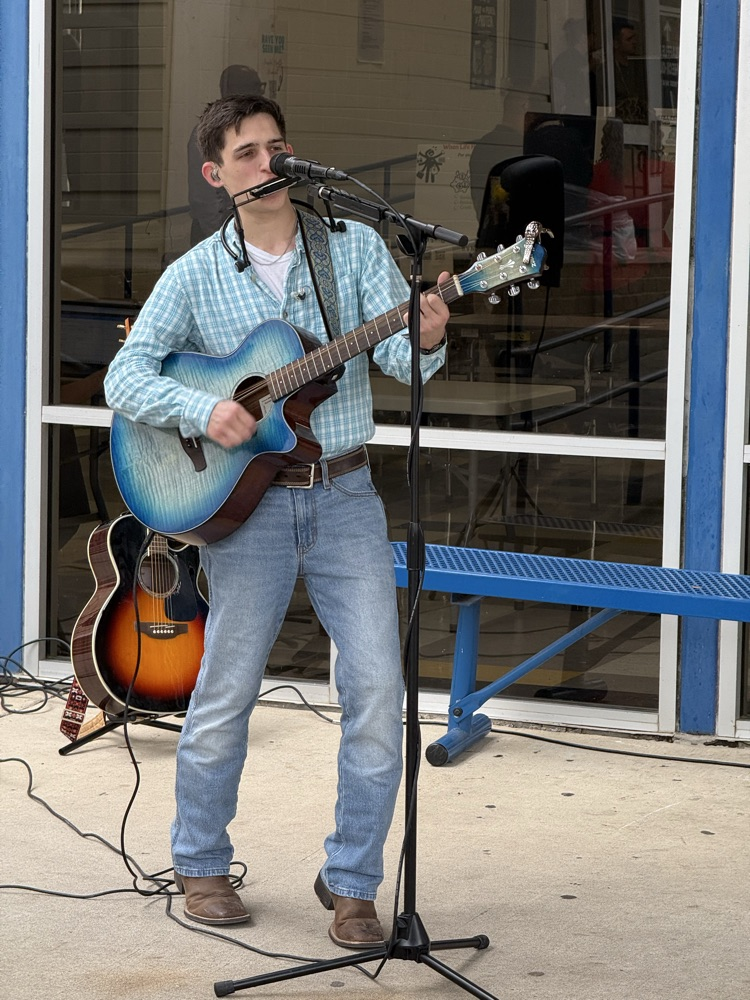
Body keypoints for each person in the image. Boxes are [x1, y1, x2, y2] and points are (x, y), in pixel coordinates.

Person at [104, 94, 450, 947]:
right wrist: (200, 411)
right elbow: (125, 378)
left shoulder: (355, 249)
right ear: (217, 174)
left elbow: (403, 360)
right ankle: (202, 863)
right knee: (224, 691)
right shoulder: (194, 275)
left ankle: (354, 881)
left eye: (278, 147)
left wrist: (432, 333)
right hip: (248, 512)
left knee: (376, 690)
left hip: (346, 498)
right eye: (248, 153)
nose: (269, 162)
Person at [186, 65, 265, 245]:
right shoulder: (208, 132)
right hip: (222, 233)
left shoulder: (259, 128)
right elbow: (205, 197)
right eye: (256, 87)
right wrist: (223, 239)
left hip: (252, 229)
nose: (260, 93)